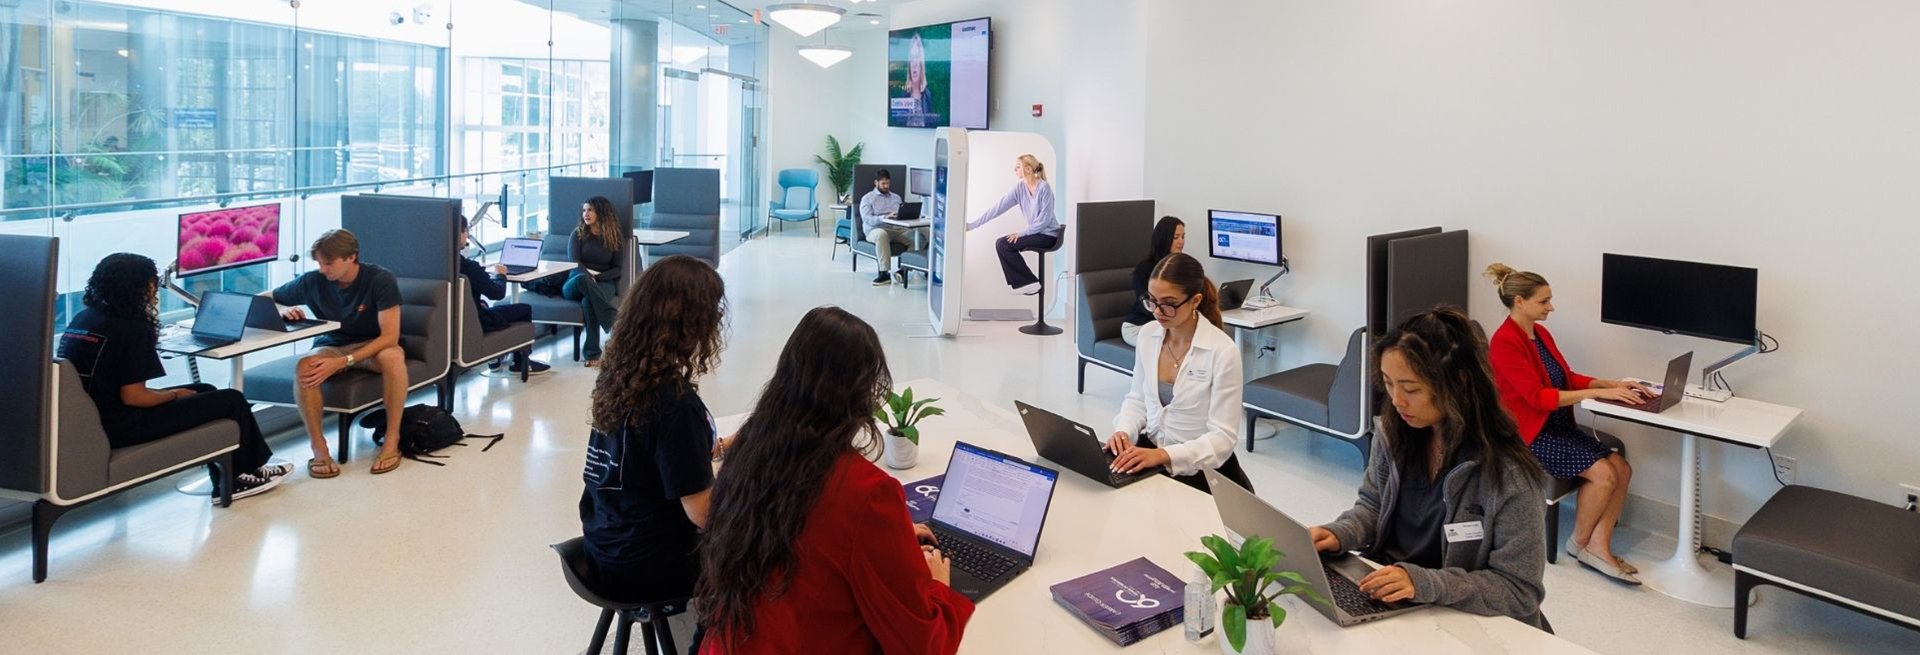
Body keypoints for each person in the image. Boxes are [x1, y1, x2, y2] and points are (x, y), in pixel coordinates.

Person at [696, 307, 972, 654]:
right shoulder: (867, 492)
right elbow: (921, 644)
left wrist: (893, 538)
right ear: (860, 395)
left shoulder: (752, 448)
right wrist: (938, 588)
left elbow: (811, 539)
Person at [1309, 308, 1551, 629]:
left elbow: (1520, 590)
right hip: (1391, 596)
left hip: (1458, 614)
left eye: (1411, 389)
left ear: (1458, 383)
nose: (1397, 401)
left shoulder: (1509, 474)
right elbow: (1372, 505)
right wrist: (1340, 533)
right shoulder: (1394, 434)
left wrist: (1424, 583)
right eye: (1388, 384)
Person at [57, 254, 292, 500]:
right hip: (121, 425)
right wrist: (174, 395)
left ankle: (236, 473)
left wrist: (176, 395)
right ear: (137, 286)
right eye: (151, 282)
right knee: (232, 400)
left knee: (205, 389)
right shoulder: (133, 327)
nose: (155, 287)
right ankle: (237, 478)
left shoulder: (84, 318)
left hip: (96, 416)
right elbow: (135, 397)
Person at [579, 255, 727, 643]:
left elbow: (644, 459)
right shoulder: (673, 403)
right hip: (647, 565)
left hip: (603, 544)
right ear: (691, 323)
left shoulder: (621, 375)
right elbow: (703, 514)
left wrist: (718, 448)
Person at [1483, 263, 1645, 584]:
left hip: (1555, 427)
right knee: (1603, 474)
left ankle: (1598, 544)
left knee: (1622, 469)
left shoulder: (1539, 333)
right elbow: (1537, 398)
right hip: (1530, 435)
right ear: (1519, 301)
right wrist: (1595, 393)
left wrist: (1610, 383)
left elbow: (1565, 377)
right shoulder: (1505, 342)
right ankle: (1582, 544)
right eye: (1543, 301)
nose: (1551, 307)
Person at [1105, 253, 1250, 494]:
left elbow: (1222, 438)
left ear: (1195, 301)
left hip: (1201, 472)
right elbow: (1138, 399)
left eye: (1169, 303)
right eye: (1151, 301)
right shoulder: (1148, 335)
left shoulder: (1222, 351)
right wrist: (1124, 431)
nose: (1158, 312)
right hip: (1149, 456)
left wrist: (1163, 455)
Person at [274, 229, 409, 477]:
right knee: (305, 367)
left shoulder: (380, 279)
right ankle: (319, 449)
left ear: (351, 257)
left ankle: (392, 441)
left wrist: (343, 362)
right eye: (319, 263)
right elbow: (266, 298)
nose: (323, 270)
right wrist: (282, 308)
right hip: (333, 343)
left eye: (328, 263)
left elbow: (389, 337)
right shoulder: (313, 281)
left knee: (393, 356)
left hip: (373, 345)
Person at [457, 223, 550, 376]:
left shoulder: (443, 264)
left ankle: (495, 361)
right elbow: (497, 293)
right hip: (477, 322)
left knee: (483, 303)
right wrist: (501, 275)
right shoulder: (469, 267)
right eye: (466, 231)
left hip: (455, 321)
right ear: (459, 233)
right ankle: (520, 363)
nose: (467, 236)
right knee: (524, 309)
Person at [965, 154, 1061, 295]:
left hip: (1049, 236)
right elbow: (997, 209)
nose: (1014, 170)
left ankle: (1029, 282)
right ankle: (1028, 282)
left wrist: (1021, 233)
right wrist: (972, 225)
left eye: (1018, 167)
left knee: (1004, 244)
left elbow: (1044, 221)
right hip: (1036, 233)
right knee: (1001, 243)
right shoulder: (1019, 188)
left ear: (1028, 169)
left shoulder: (1044, 188)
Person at [564, 196, 625, 367]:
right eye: (584, 210)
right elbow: (574, 262)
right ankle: (613, 321)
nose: (586, 214)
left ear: (602, 213)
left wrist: (597, 278)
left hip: (603, 282)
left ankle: (592, 354)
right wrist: (588, 277)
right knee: (583, 279)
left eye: (590, 210)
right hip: (576, 281)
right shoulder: (577, 234)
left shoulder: (614, 237)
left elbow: (617, 269)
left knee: (588, 301)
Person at [1120, 216, 1185, 346]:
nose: (1181, 242)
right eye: (1175, 237)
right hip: (1138, 327)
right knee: (1174, 346)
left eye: (1183, 237)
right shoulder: (1144, 269)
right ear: (1163, 239)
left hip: (1167, 326)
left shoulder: (1182, 266)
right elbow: (1148, 307)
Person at [859, 169, 918, 287]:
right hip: (874, 230)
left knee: (919, 236)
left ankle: (903, 270)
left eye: (888, 183)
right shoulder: (867, 198)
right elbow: (867, 219)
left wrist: (906, 216)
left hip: (896, 229)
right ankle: (884, 273)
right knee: (881, 234)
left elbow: (902, 215)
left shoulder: (896, 197)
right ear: (876, 183)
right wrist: (885, 217)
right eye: (883, 183)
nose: (886, 186)